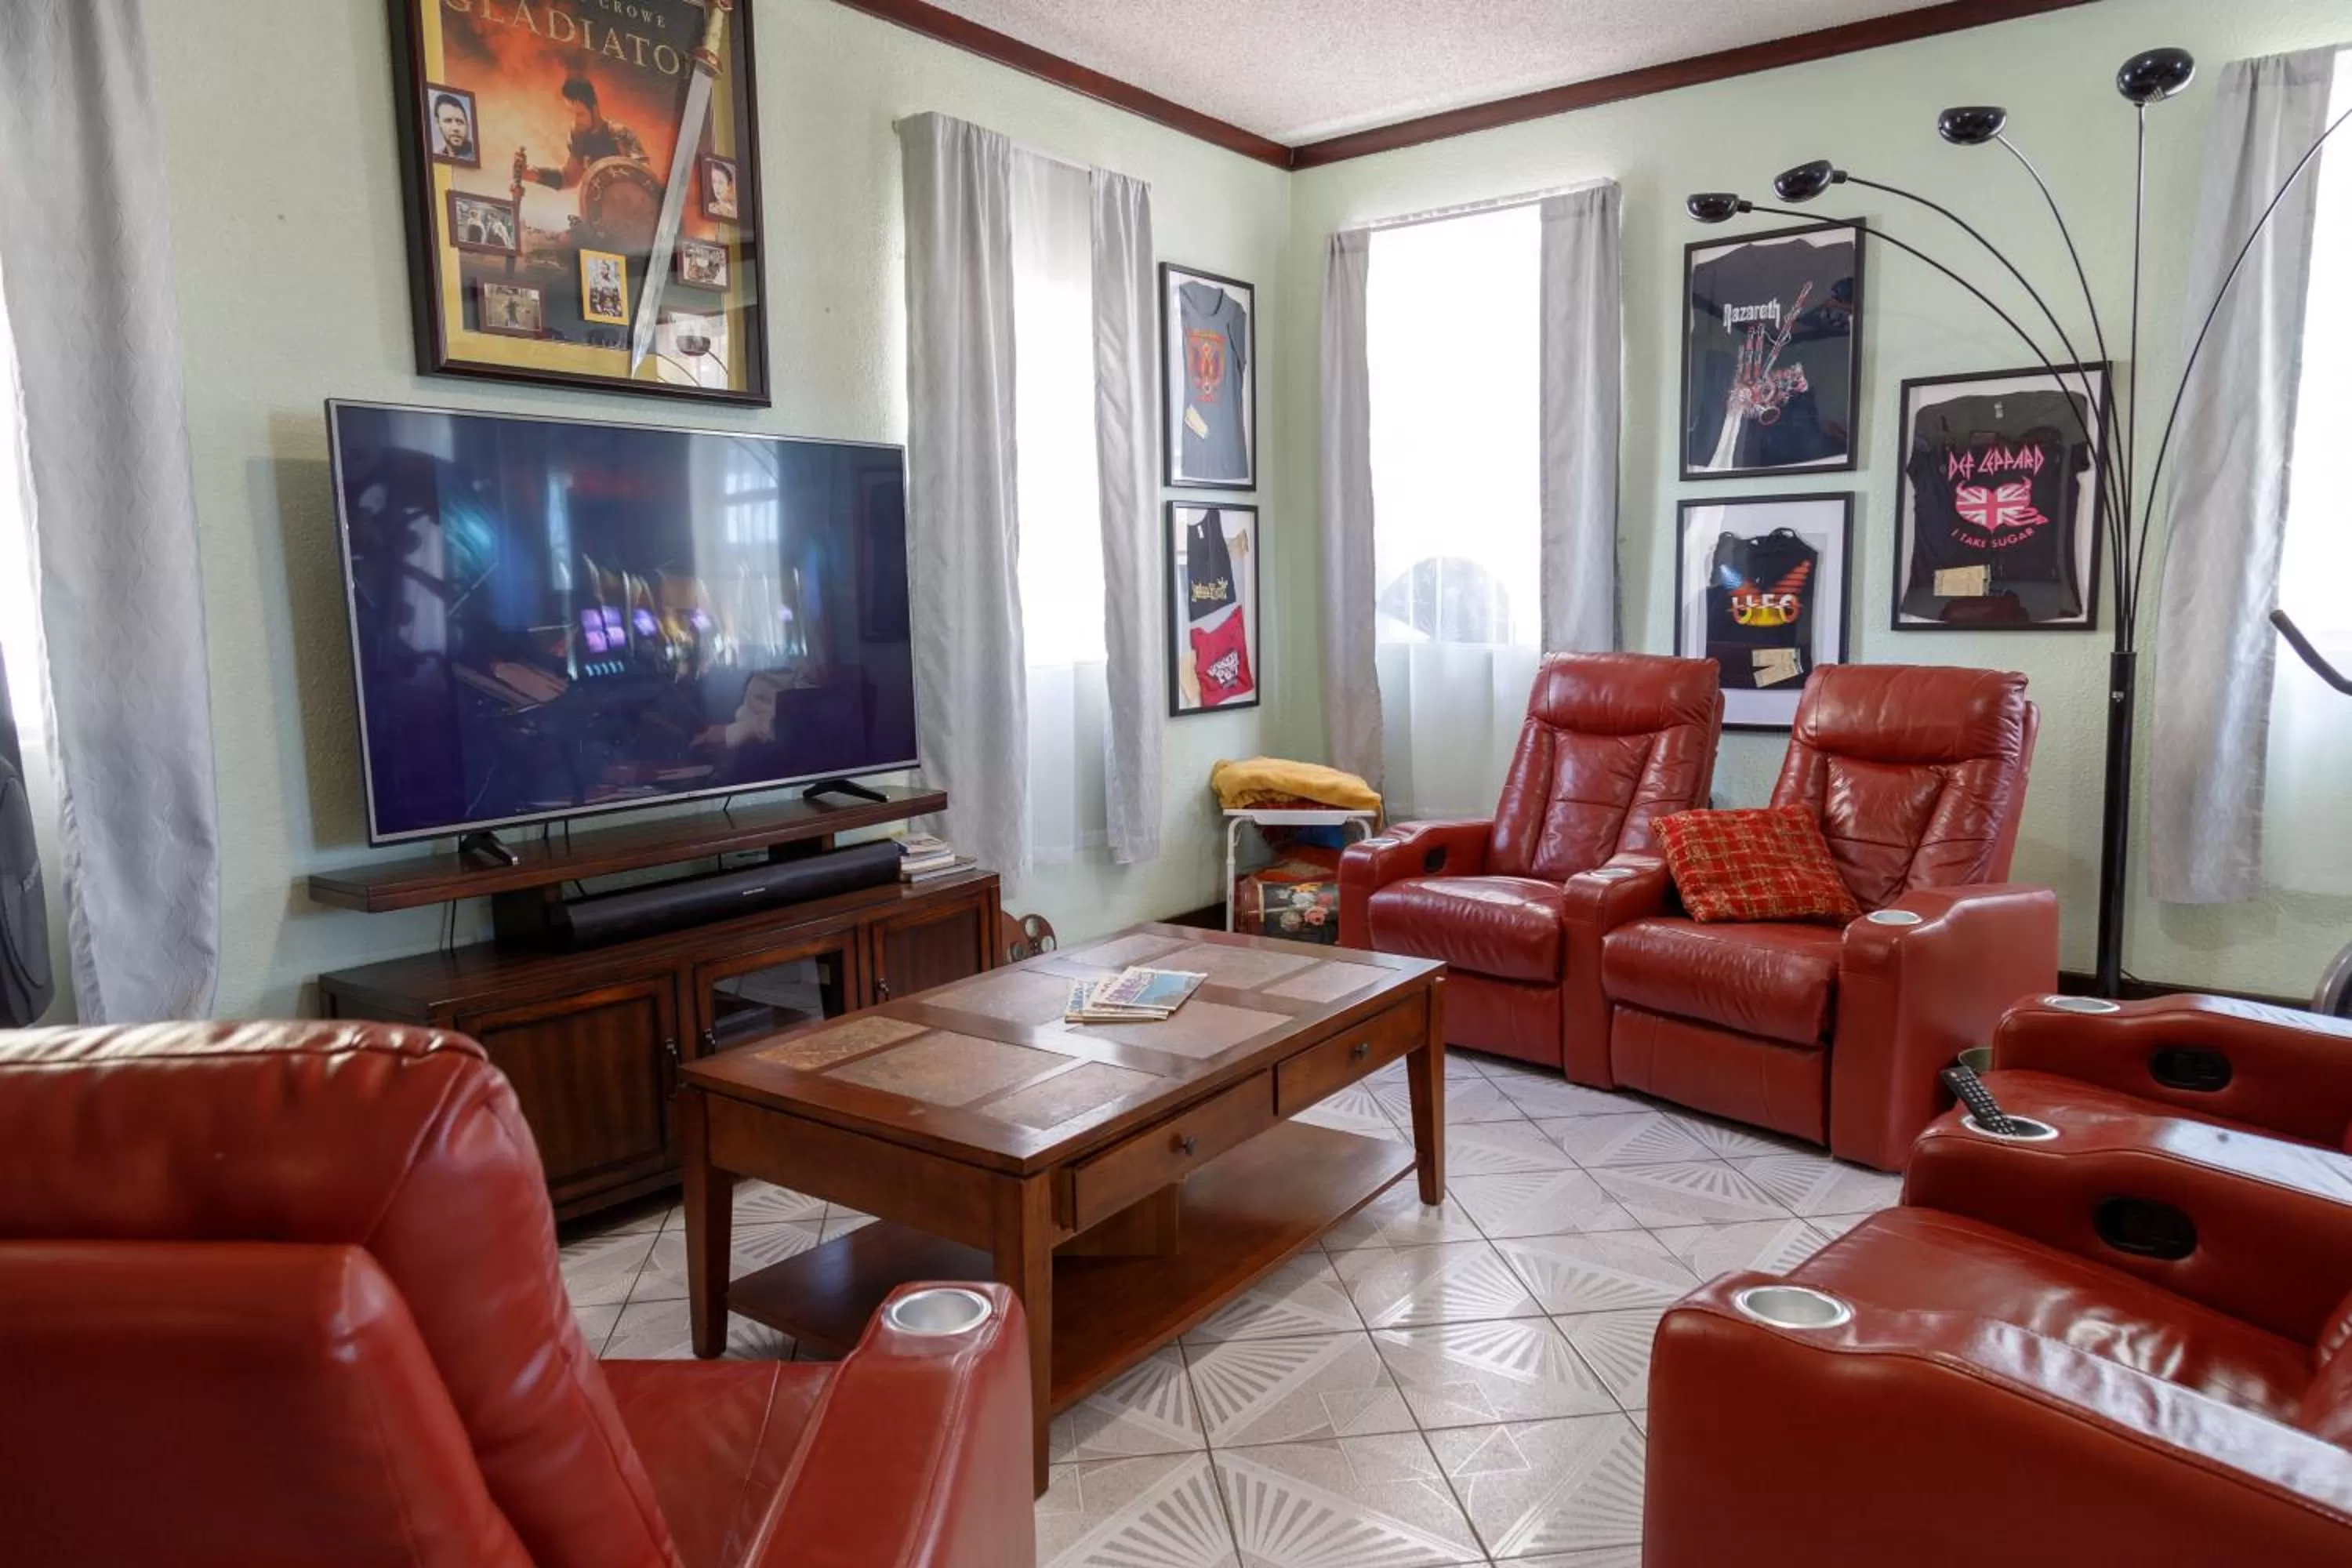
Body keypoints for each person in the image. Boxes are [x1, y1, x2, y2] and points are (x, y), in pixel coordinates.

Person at [515, 76, 645, 193]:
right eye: (572, 114)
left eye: (580, 114)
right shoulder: (578, 137)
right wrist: (533, 174)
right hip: (595, 214)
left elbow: (645, 176)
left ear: (594, 109)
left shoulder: (620, 134)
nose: (576, 121)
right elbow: (569, 178)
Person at [430, 91, 474, 161]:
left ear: (467, 125)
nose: (455, 128)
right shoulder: (438, 154)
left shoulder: (476, 154)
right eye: (448, 121)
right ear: (438, 123)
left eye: (460, 122)